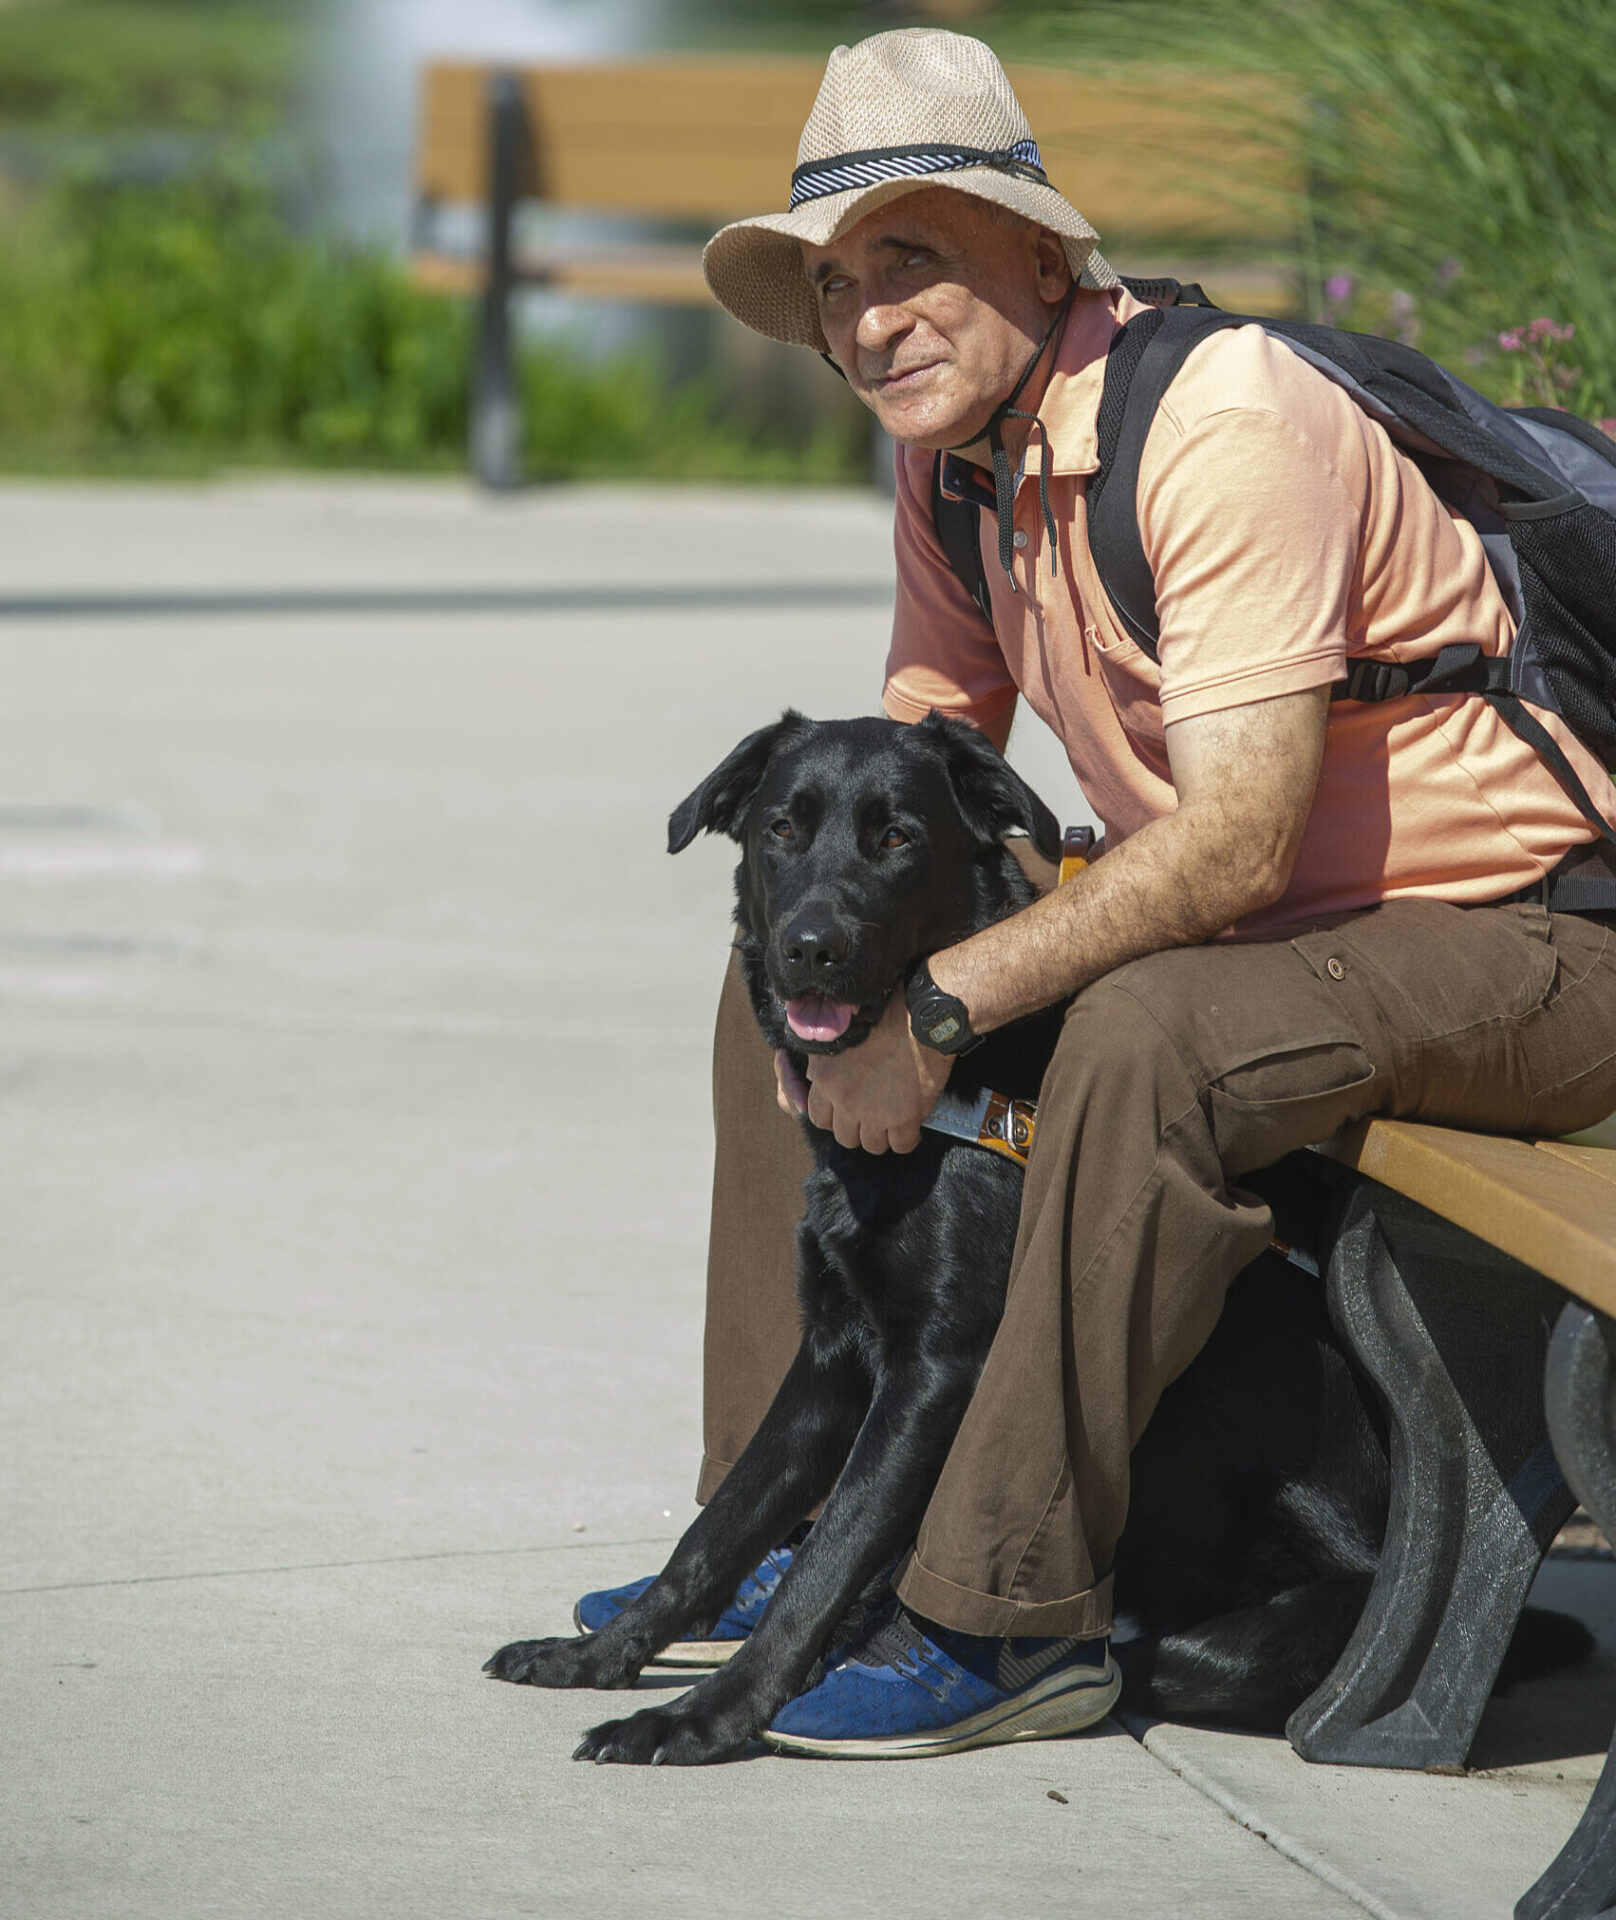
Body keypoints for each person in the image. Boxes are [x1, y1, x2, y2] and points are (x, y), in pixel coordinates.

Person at [576, 27, 1616, 1756]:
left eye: (909, 264)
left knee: (1142, 1030)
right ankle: (784, 1537)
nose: (867, 322)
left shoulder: (1223, 423)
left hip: (1534, 945)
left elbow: (1233, 846)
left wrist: (947, 1009)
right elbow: (911, 760)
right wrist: (838, 962)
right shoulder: (955, 461)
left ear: (1042, 258)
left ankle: (1000, 1616)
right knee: (785, 956)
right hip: (1293, 949)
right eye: (834, 286)